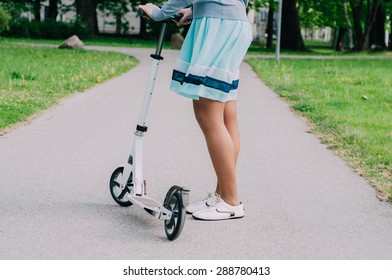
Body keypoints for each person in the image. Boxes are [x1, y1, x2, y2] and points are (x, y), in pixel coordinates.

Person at [139, 0, 252, 221]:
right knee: (226, 113)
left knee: (208, 115)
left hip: (218, 28)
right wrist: (195, 9)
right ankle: (223, 195)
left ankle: (230, 200)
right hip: (234, 23)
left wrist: (160, 12)